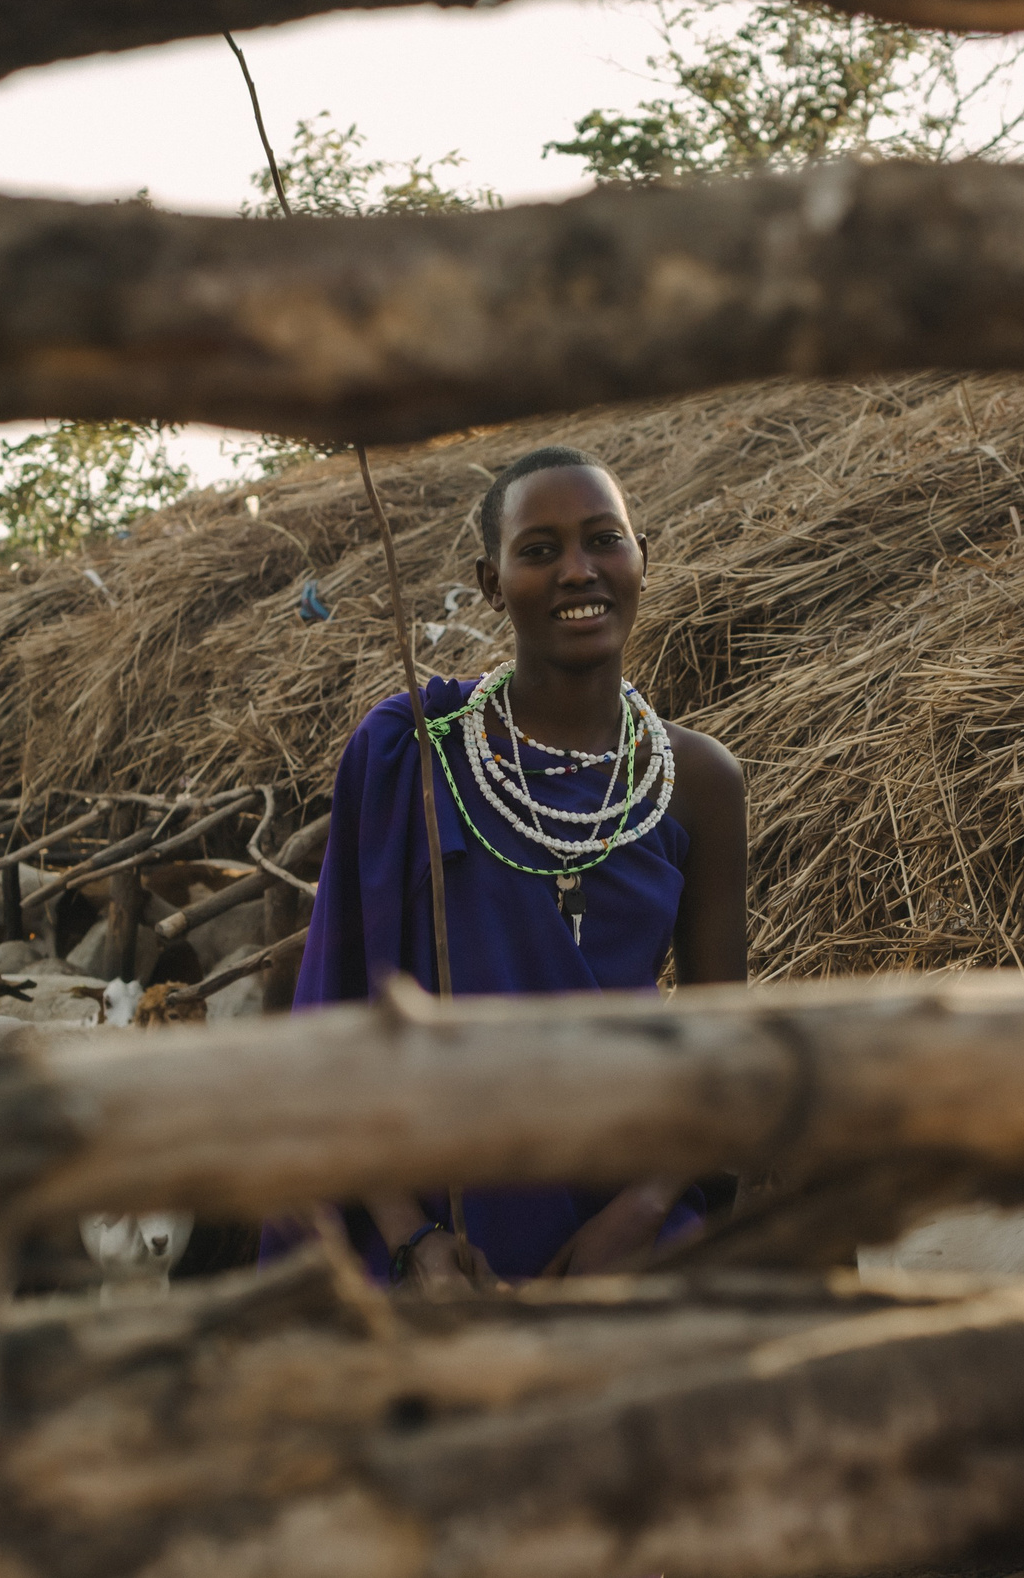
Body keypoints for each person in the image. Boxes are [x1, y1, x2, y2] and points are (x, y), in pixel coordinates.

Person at [282, 444, 748, 1286]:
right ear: (490, 580)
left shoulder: (701, 783)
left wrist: (640, 1213)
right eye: (539, 550)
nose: (579, 571)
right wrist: (411, 1241)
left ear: (644, 556)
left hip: (628, 1215)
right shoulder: (411, 755)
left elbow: (721, 1048)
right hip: (438, 1224)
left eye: (605, 540)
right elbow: (336, 1016)